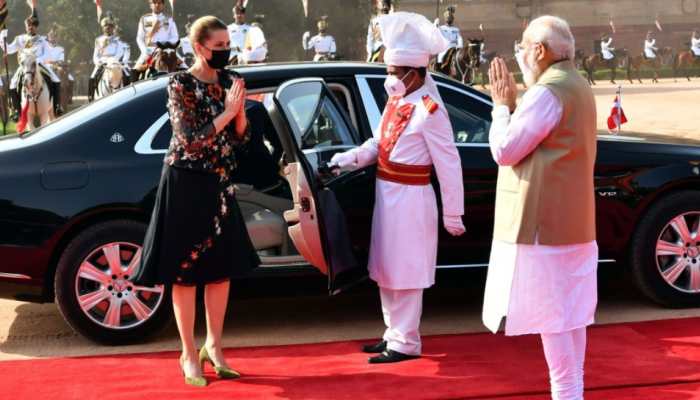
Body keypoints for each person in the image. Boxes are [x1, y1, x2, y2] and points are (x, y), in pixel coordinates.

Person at [330, 11, 465, 364]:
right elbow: (379, 143)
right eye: (388, 71)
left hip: (411, 197)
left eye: (394, 72)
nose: (389, 78)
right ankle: (393, 334)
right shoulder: (396, 101)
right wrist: (350, 157)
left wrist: (453, 212)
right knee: (386, 269)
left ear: (416, 72)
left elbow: (449, 163)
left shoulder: (430, 110)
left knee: (406, 272)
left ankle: (406, 342)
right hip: (387, 195)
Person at [133, 15, 260, 387]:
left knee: (219, 271)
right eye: (218, 46)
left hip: (219, 182)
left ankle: (215, 347)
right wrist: (227, 113)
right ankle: (188, 353)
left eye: (227, 45)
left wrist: (239, 117)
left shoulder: (229, 82)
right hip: (185, 182)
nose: (226, 52)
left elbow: (241, 141)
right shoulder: (180, 84)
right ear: (199, 47)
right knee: (185, 274)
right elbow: (190, 139)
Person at [483, 15, 598, 400]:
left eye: (522, 46)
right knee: (570, 322)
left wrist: (502, 107)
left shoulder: (548, 92)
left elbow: (504, 150)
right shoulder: (577, 84)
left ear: (539, 50)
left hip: (545, 232)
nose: (519, 56)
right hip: (575, 228)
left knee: (557, 330)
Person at [0, 13, 63, 119]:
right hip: (25, 66)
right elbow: (8, 49)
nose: (30, 27)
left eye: (33, 25)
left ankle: (57, 106)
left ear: (36, 27)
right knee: (13, 84)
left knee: (56, 79)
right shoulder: (20, 39)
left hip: (39, 64)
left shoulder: (42, 39)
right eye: (28, 25)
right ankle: (16, 110)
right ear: (25, 26)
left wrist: (36, 60)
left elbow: (48, 54)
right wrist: (2, 36)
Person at [89, 13, 131, 101]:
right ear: (103, 28)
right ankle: (91, 97)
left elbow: (122, 51)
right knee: (92, 76)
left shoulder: (118, 40)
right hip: (103, 63)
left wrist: (117, 61)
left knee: (127, 74)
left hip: (115, 62)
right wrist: (98, 62)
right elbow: (95, 55)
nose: (108, 28)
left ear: (113, 28)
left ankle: (129, 95)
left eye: (110, 26)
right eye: (106, 26)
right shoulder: (98, 40)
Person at [135, 0, 179, 69]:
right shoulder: (144, 19)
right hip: (149, 50)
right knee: (134, 70)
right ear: (150, 5)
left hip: (166, 50)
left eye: (159, 3)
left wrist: (165, 45)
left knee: (184, 67)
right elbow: (139, 38)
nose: (157, 5)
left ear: (163, 5)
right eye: (154, 3)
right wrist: (144, 51)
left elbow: (175, 37)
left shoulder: (169, 19)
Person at [44, 26, 74, 107]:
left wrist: (56, 63)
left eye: (55, 37)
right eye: (52, 37)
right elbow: (43, 60)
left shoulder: (61, 49)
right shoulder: (44, 47)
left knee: (71, 78)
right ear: (48, 37)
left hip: (57, 66)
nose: (53, 38)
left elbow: (61, 60)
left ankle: (69, 96)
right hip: (46, 67)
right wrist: (52, 62)